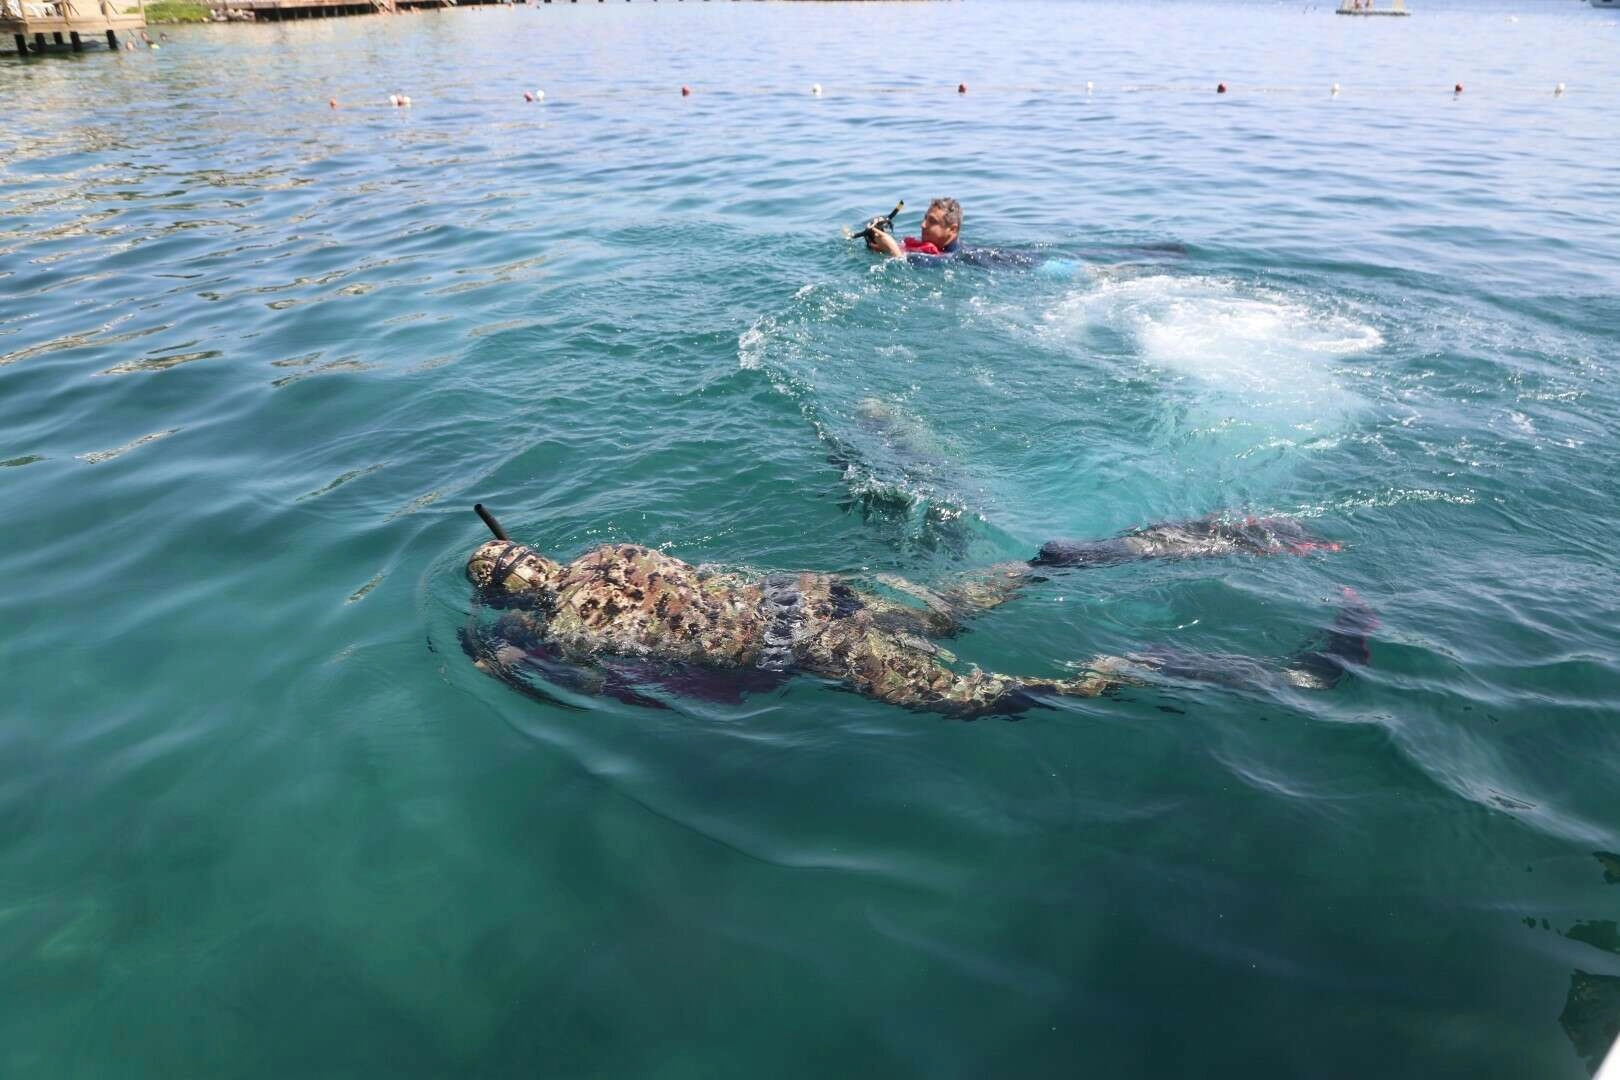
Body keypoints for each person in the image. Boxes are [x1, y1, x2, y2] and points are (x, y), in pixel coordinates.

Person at [462, 508, 1372, 718]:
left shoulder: (553, 632)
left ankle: (1147, 668)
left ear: (505, 589)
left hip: (802, 642)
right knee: (979, 595)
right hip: (822, 594)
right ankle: (1058, 561)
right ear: (535, 551)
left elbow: (583, 681)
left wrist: (489, 654)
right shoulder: (614, 549)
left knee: (999, 695)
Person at [868, 198, 962, 259]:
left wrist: (893, 251)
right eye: (925, 218)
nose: (923, 225)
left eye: (932, 221)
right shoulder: (926, 249)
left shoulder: (959, 257)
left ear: (952, 229)